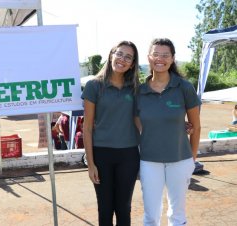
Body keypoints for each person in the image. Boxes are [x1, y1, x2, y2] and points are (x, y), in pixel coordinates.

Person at [136, 38, 201, 226]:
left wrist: (192, 158)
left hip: (181, 159)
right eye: (156, 54)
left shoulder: (184, 87)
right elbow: (135, 124)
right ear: (149, 58)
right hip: (149, 160)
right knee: (150, 214)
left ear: (172, 59)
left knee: (177, 213)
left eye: (165, 55)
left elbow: (195, 126)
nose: (160, 59)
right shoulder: (139, 91)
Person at [82, 40, 141, 226]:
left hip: (129, 155)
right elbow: (87, 127)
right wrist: (91, 164)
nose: (122, 59)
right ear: (111, 55)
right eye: (120, 54)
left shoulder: (136, 88)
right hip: (101, 155)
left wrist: (179, 125)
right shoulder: (94, 86)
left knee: (124, 208)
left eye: (128, 57)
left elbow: (144, 120)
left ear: (132, 64)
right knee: (105, 209)